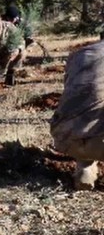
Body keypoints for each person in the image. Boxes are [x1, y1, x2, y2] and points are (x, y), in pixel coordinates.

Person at [50, 41, 104, 190]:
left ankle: (84, 167)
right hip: (99, 141)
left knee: (85, 116)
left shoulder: (79, 54)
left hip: (66, 137)